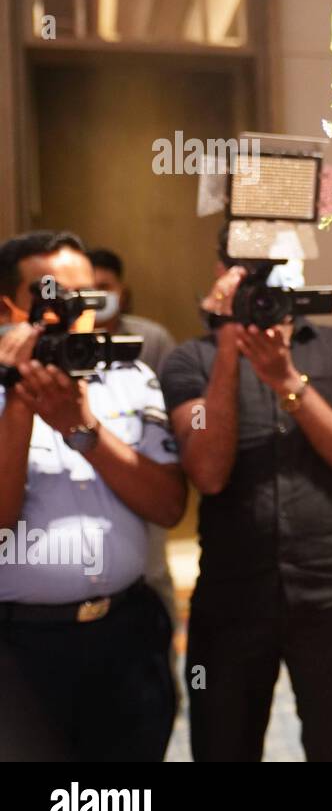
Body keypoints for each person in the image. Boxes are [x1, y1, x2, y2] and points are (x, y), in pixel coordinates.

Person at [159, 240, 332, 761]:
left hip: (331, 595)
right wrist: (229, 352)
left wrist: (287, 383)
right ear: (220, 273)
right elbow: (207, 474)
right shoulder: (191, 360)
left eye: (274, 266)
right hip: (231, 597)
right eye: (246, 267)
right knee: (223, 746)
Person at [0, 230, 185, 761]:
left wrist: (83, 429)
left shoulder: (132, 376)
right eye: (49, 294)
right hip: (21, 648)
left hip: (126, 634)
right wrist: (17, 401)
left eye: (84, 298)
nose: (70, 311)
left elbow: (169, 506)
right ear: (9, 304)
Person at [87, 247, 180, 646]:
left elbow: (167, 413)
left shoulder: (149, 341)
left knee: (152, 572)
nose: (95, 298)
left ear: (122, 291)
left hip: (142, 464)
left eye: (103, 288)